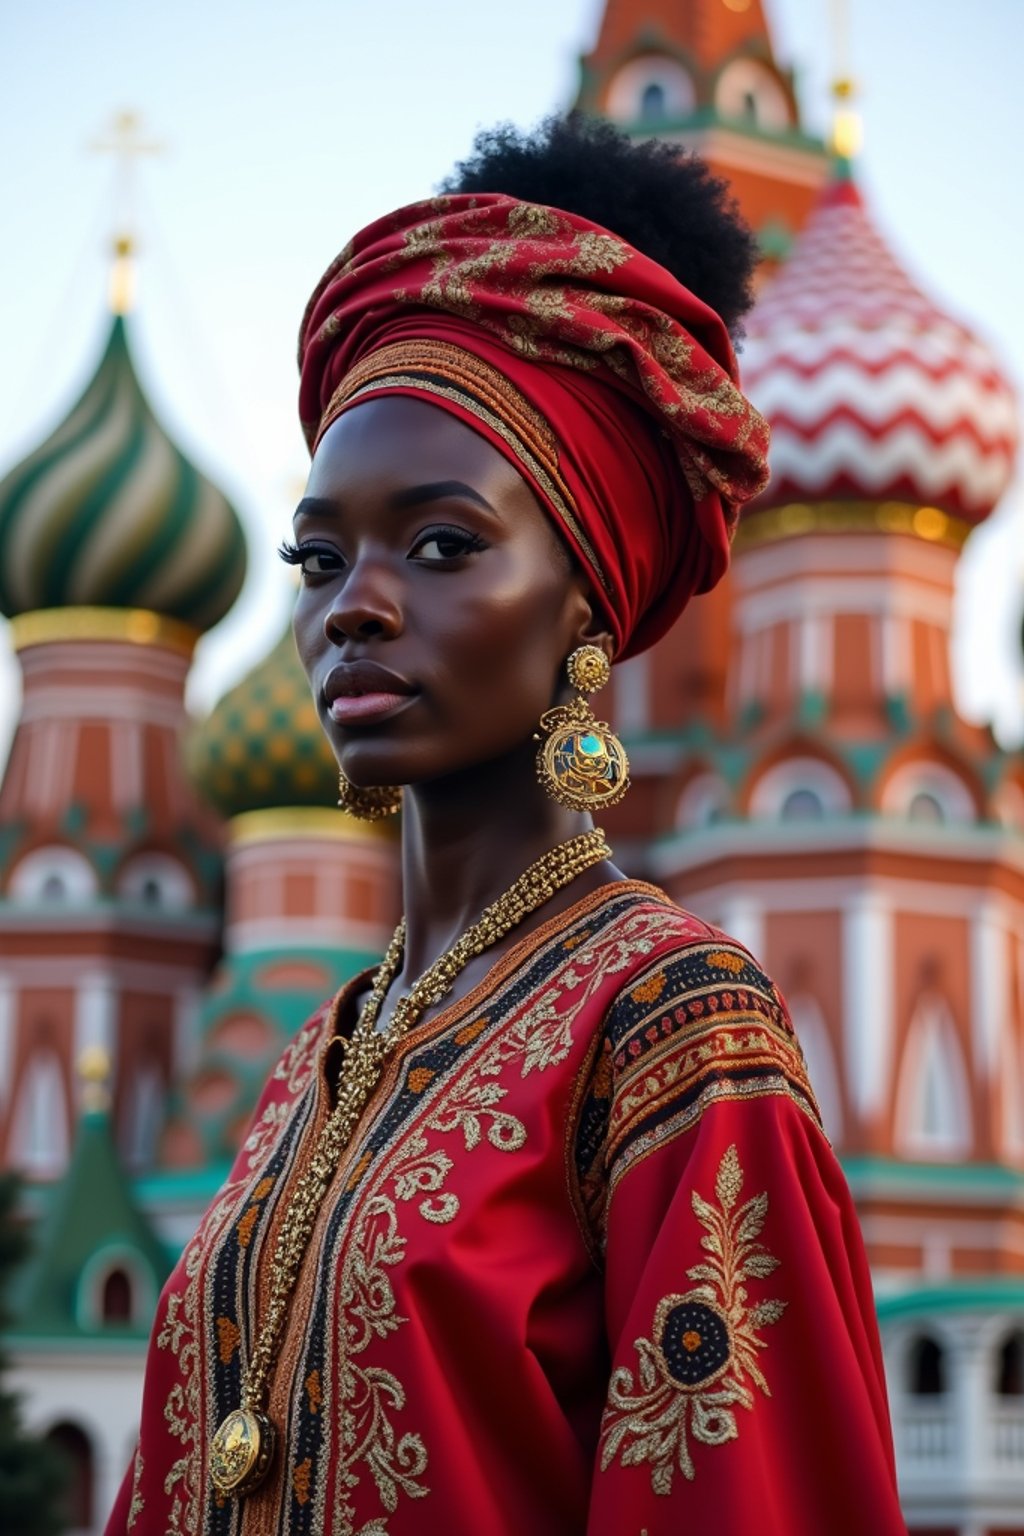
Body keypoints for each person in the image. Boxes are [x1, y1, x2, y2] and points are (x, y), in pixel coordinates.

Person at [107, 116, 906, 1535]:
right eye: (318, 556)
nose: (350, 602)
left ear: (589, 599)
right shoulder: (317, 1057)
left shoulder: (672, 1030)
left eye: (442, 544)